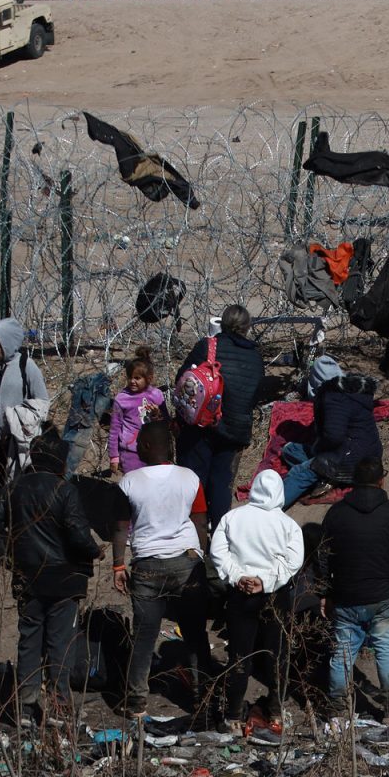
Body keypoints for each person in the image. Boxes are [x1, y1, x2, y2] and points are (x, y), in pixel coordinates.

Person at [0, 436, 100, 726]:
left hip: (27, 577)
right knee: (59, 643)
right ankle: (59, 709)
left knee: (29, 640)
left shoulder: (12, 488)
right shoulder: (64, 490)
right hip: (64, 579)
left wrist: (8, 556)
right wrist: (95, 550)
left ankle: (26, 707)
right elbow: (78, 534)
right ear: (60, 461)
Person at [113, 421, 215, 719]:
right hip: (187, 562)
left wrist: (118, 564)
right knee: (195, 634)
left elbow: (121, 527)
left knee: (144, 636)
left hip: (147, 565)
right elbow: (199, 521)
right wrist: (200, 555)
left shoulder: (129, 482)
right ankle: (203, 699)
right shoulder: (190, 477)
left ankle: (136, 703)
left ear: (146, 446)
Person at [319, 457, 389, 718]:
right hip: (384, 597)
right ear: (381, 481)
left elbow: (323, 557)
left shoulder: (336, 513)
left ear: (353, 483)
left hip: (346, 596)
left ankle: (338, 708)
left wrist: (325, 593)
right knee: (386, 648)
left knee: (342, 652)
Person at [209, 469, 304, 735]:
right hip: (275, 596)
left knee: (240, 654)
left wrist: (238, 577)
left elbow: (218, 552)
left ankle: (233, 715)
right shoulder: (288, 525)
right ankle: (275, 709)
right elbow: (293, 562)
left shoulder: (232, 518)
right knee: (277, 653)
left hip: (240, 595)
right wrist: (265, 581)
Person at [175, 305, 264, 527]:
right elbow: (255, 395)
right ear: (247, 327)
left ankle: (194, 536)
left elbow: (182, 379)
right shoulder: (256, 357)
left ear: (221, 323)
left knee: (195, 482)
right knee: (221, 482)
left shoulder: (207, 346)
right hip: (234, 429)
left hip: (201, 427)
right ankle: (219, 538)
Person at [0, 317, 48, 570]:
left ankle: (22, 545)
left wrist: (17, 417)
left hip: (17, 442)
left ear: (7, 343)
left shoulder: (27, 366)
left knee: (17, 493)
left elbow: (42, 402)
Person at [280, 357, 382, 507]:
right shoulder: (353, 392)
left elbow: (334, 436)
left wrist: (319, 451)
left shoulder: (334, 396)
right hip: (369, 453)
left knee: (300, 473)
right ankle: (328, 478)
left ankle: (268, 511)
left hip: (351, 458)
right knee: (291, 450)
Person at [108, 346, 165, 475]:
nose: (132, 381)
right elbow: (114, 430)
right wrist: (114, 457)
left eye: (137, 378)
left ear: (149, 378)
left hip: (154, 450)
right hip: (131, 452)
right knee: (134, 486)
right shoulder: (122, 399)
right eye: (130, 377)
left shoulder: (156, 396)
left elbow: (165, 423)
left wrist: (157, 414)